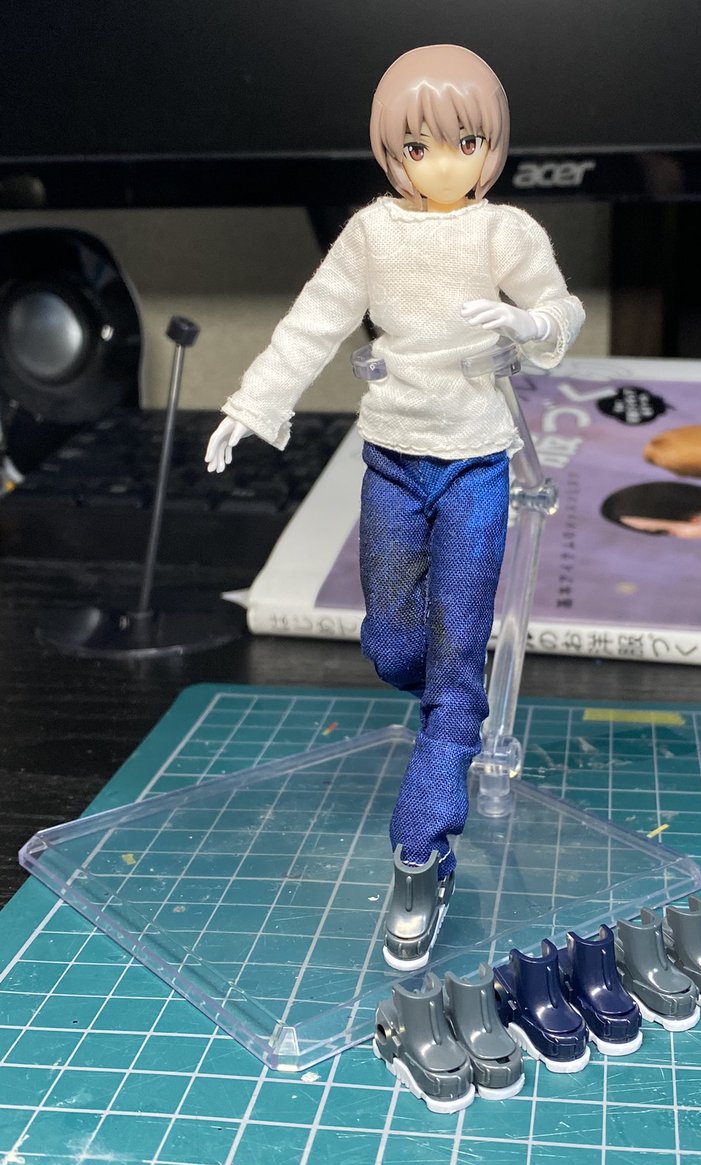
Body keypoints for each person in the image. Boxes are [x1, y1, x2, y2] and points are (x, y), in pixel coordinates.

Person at [205, 45, 584, 969]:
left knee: (457, 650)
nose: (444, 163)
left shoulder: (505, 232)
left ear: (493, 146)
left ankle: (426, 833)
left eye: (467, 142)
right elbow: (315, 319)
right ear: (390, 152)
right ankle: (452, 708)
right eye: (419, 146)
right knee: (390, 643)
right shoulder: (373, 232)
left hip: (476, 466)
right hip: (391, 459)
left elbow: (561, 312)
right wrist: (254, 404)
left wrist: (529, 324)